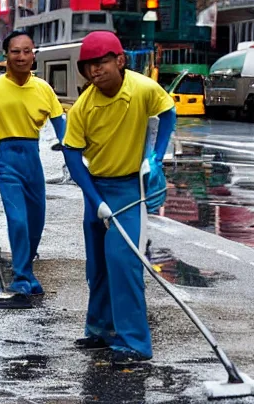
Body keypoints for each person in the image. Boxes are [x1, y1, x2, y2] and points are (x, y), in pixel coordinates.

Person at [63, 31, 176, 363]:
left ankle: (134, 342)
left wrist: (155, 157)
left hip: (129, 188)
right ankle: (100, 329)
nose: (95, 71)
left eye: (102, 63)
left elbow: (168, 112)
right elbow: (71, 153)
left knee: (123, 262)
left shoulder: (142, 88)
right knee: (97, 264)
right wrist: (94, 199)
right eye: (88, 66)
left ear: (120, 60)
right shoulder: (85, 104)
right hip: (96, 185)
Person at [0, 30, 65, 297]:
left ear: (34, 54)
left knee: (36, 221)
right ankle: (21, 276)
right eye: (15, 51)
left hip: (33, 159)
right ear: (5, 54)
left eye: (26, 51)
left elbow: (61, 126)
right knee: (18, 219)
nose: (21, 57)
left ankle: (27, 268)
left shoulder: (43, 89)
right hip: (5, 160)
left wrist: (72, 157)